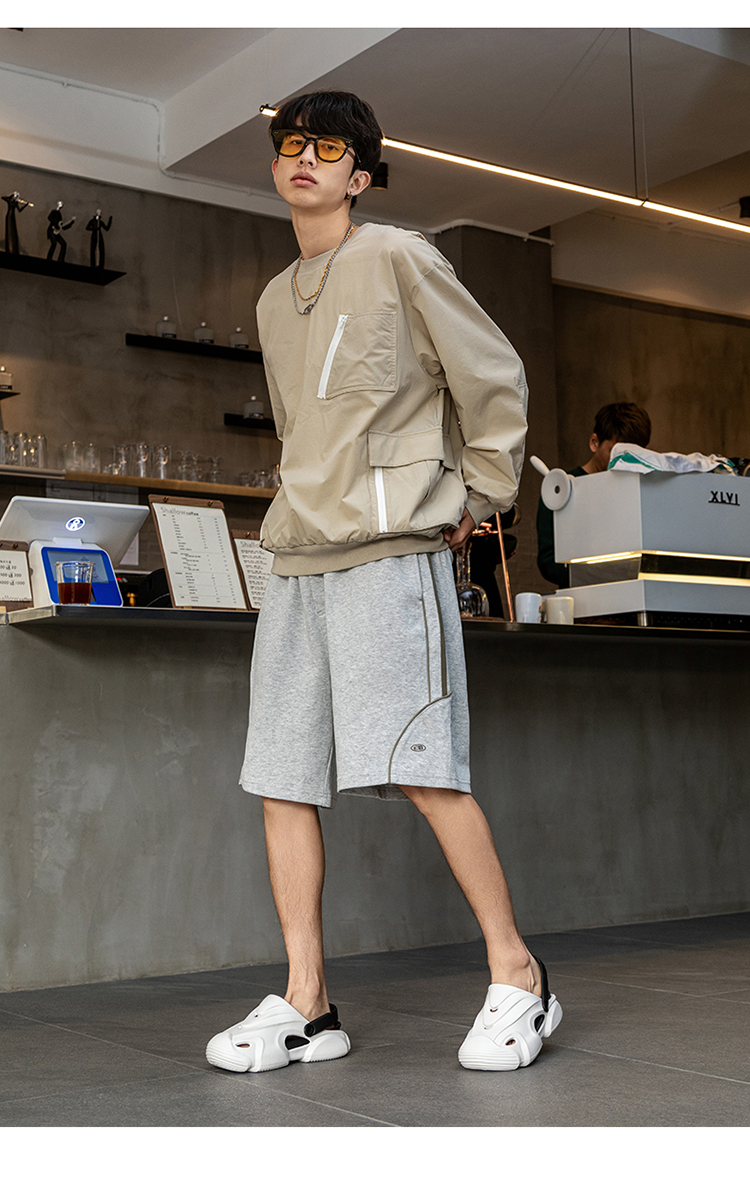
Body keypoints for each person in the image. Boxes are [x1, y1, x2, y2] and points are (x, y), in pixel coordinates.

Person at [206, 90, 562, 1077]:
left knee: (422, 764)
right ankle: (309, 1001)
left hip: (389, 550)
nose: (304, 158)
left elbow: (492, 373)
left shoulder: (402, 256)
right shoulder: (273, 299)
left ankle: (519, 971)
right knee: (282, 776)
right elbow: (302, 433)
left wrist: (482, 491)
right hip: (297, 557)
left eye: (328, 148)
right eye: (291, 144)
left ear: (360, 174)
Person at [536, 402, 652, 587]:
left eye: (634, 454)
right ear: (594, 443)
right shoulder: (561, 489)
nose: (624, 461)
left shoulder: (638, 490)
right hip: (580, 598)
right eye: (616, 452)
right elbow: (548, 561)